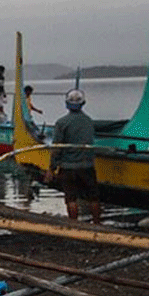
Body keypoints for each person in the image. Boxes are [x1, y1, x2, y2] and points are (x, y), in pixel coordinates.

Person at [47, 89, 101, 224]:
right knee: (93, 198)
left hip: (68, 167)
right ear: (83, 103)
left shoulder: (61, 123)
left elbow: (57, 148)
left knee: (71, 199)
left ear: (67, 104)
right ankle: (97, 224)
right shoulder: (89, 121)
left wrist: (51, 169)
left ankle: (74, 226)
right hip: (87, 166)